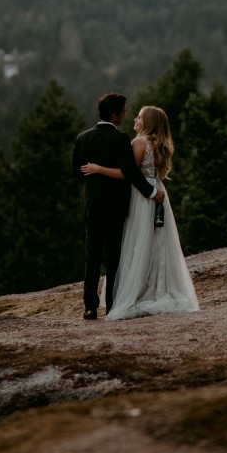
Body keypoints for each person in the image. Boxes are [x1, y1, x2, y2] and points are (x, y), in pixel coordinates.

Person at [80, 105, 199, 320]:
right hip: (158, 192)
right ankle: (156, 288)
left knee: (135, 243)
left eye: (140, 117)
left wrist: (98, 169)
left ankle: (135, 292)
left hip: (142, 195)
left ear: (149, 122)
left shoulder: (138, 142)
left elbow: (128, 174)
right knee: (155, 243)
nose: (135, 119)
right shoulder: (160, 144)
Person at [72, 92, 165, 320]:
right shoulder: (120, 139)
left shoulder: (82, 138)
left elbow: (77, 173)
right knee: (114, 257)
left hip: (92, 206)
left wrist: (95, 178)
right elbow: (130, 173)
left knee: (92, 256)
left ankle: (90, 307)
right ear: (114, 115)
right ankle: (113, 306)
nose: (126, 115)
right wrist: (152, 192)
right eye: (123, 111)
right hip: (115, 207)